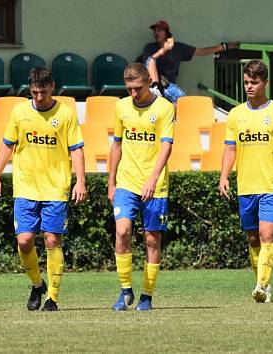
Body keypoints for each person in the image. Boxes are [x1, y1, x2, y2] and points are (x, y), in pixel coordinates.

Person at [0, 67, 86, 312]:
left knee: (52, 240)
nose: (39, 97)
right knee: (24, 241)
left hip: (55, 188)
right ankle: (36, 284)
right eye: (34, 92)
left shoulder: (65, 114)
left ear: (52, 86)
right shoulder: (20, 112)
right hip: (25, 187)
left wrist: (81, 181)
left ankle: (52, 298)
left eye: (43, 91)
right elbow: (6, 145)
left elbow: (76, 149)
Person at [219, 59, 273, 303]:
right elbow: (230, 149)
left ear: (265, 83)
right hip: (246, 186)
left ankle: (262, 285)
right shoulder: (236, 114)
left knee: (266, 235)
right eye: (246, 82)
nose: (249, 87)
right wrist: (223, 176)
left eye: (254, 82)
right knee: (253, 238)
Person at [108, 63, 174, 311]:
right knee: (122, 231)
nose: (134, 94)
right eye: (129, 89)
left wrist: (153, 179)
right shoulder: (121, 106)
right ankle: (125, 291)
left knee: (151, 240)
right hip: (127, 182)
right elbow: (116, 145)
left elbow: (167, 146)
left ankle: (146, 296)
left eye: (138, 88)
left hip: (155, 185)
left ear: (149, 82)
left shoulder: (165, 108)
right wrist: (111, 181)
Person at [141, 19, 239, 103]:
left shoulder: (178, 47)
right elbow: (149, 62)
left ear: (166, 32)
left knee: (183, 101)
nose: (156, 33)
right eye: (154, 31)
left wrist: (224, 47)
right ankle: (155, 87)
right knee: (150, 59)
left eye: (159, 30)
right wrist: (163, 50)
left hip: (168, 84)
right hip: (150, 85)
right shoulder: (149, 47)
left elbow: (201, 52)